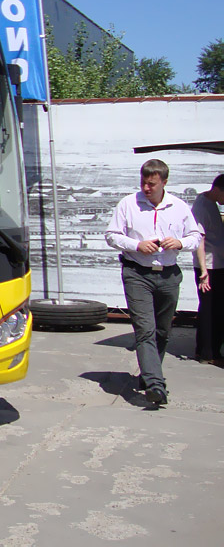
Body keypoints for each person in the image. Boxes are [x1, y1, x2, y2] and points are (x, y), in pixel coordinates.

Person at [105, 159, 203, 406]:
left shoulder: (179, 207)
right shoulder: (128, 204)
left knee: (162, 330)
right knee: (145, 329)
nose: (146, 188)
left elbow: (195, 236)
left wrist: (180, 243)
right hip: (138, 273)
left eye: (152, 184)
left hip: (169, 275)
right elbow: (112, 235)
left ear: (164, 183)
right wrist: (136, 245)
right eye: (143, 183)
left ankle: (149, 375)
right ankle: (156, 385)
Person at [190, 174, 224, 364]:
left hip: (217, 263)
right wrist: (204, 272)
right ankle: (207, 352)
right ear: (217, 189)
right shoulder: (203, 206)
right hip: (209, 266)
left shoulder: (211, 203)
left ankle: (211, 349)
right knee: (210, 309)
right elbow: (199, 240)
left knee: (217, 308)